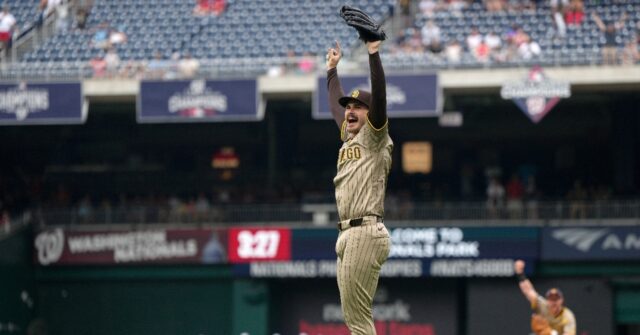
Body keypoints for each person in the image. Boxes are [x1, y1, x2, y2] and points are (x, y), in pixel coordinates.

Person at [326, 38, 392, 334]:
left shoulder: (375, 136)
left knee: (358, 320)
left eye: (358, 107)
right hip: (348, 232)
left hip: (364, 229)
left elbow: (379, 97)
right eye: (349, 106)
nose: (350, 111)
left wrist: (373, 54)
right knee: (354, 318)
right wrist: (331, 71)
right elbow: (336, 109)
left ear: (370, 114)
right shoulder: (350, 136)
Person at [514, 260, 577, 335]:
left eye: (556, 299)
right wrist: (520, 274)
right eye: (551, 299)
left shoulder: (567, 316)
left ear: (561, 300)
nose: (554, 302)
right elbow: (529, 291)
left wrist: (552, 333)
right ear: (547, 300)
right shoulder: (542, 305)